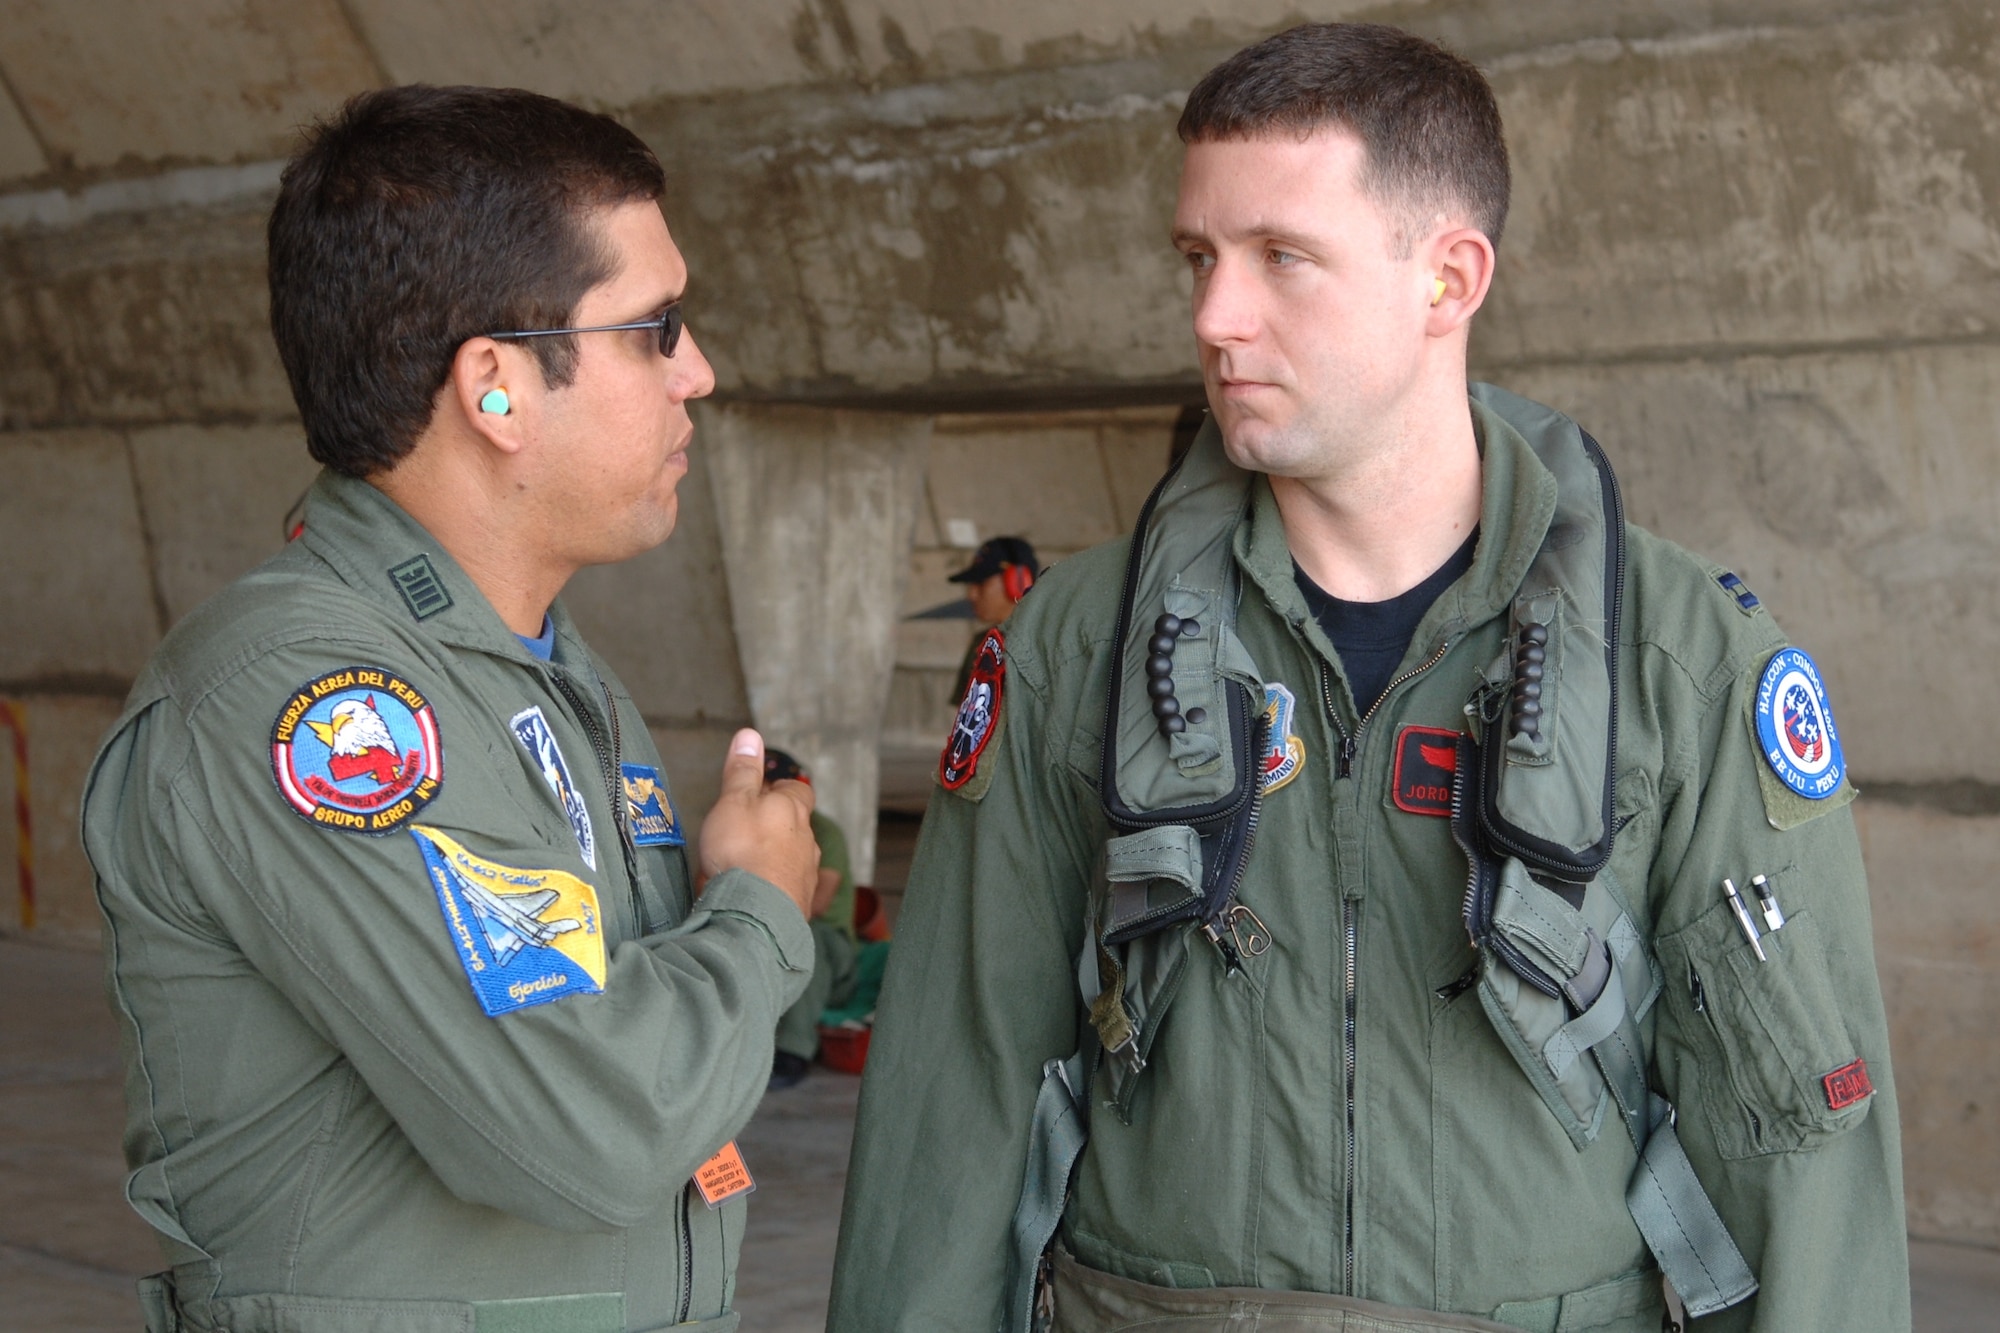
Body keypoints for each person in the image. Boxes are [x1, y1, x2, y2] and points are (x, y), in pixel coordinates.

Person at [831, 23, 1906, 1333]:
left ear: (1447, 278)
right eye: (1199, 258)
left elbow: (1795, 1140)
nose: (1215, 317)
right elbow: (956, 1096)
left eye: (1283, 257)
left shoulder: (1678, 659)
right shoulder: (1076, 645)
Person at [80, 85, 823, 1333]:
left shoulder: (533, 668)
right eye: (657, 326)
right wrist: (757, 912)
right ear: (495, 387)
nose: (697, 371)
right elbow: (589, 1122)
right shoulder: (318, 705)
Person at [764, 747, 860, 1088]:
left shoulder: (824, 833)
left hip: (831, 952)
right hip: (771, 934)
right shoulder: (754, 832)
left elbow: (815, 904)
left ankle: (793, 1052)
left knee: (807, 936)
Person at [948, 535, 1040, 701]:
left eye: (981, 584)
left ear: (1018, 582)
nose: (971, 595)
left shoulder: (1045, 643)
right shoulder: (982, 643)